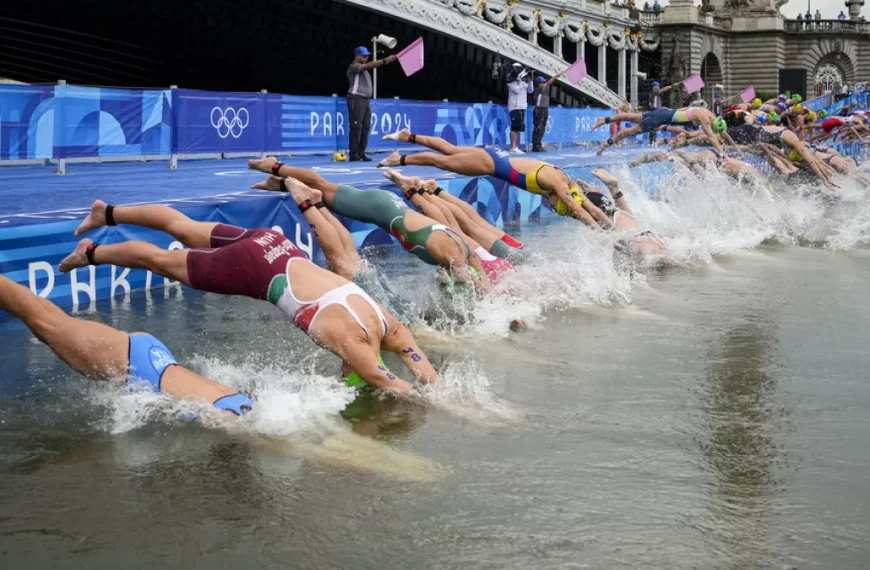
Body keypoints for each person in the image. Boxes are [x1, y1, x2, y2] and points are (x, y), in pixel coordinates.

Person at [60, 199, 439, 395]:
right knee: (160, 262)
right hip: (258, 270)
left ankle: (107, 212)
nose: (345, 374)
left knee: (186, 229)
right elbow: (392, 384)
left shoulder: (391, 327)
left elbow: (423, 373)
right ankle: (90, 253)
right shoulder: (355, 347)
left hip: (276, 245)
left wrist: (442, 394)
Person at [0, 274, 253, 417]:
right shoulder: (236, 419)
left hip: (149, 359)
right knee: (42, 320)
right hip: (136, 363)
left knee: (46, 322)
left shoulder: (241, 408)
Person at [248, 157, 494, 291]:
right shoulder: (453, 256)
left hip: (387, 208)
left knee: (344, 252)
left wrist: (482, 283)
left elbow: (476, 271)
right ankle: (275, 166)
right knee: (323, 187)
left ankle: (280, 184)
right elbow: (469, 280)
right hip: (380, 207)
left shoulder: (464, 249)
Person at [377, 129, 612, 228]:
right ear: (556, 197)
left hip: (497, 156)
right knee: (443, 161)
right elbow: (576, 208)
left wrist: (609, 229)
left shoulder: (570, 185)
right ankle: (400, 160)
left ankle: (409, 136)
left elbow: (588, 207)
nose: (550, 206)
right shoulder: (557, 185)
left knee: (450, 150)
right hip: (491, 164)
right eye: (555, 206)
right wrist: (596, 233)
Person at [592, 106, 727, 155]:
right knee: (628, 132)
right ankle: (605, 144)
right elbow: (710, 136)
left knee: (631, 116)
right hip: (661, 118)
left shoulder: (706, 111)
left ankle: (604, 120)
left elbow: (682, 109)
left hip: (664, 112)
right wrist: (722, 153)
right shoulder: (706, 119)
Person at [347, 46, 397, 162]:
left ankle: (361, 153)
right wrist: (384, 61)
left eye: (367, 55)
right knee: (356, 127)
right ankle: (354, 154)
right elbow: (368, 66)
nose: (366, 57)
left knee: (365, 127)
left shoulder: (364, 70)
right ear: (357, 56)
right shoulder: (353, 66)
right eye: (364, 55)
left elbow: (368, 66)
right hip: (356, 98)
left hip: (365, 100)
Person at [532, 73, 562, 152]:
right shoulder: (538, 89)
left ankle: (539, 144)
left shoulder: (545, 90)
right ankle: (536, 146)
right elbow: (548, 83)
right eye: (543, 82)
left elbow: (548, 84)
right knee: (538, 128)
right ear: (539, 83)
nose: (545, 83)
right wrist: (554, 77)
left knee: (542, 128)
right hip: (539, 109)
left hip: (545, 109)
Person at [507, 65, 534, 153]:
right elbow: (516, 90)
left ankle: (515, 147)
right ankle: (512, 147)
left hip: (522, 106)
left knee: (518, 128)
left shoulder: (523, 83)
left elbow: (530, 90)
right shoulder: (511, 82)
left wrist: (530, 80)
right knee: (514, 127)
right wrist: (522, 81)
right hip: (515, 107)